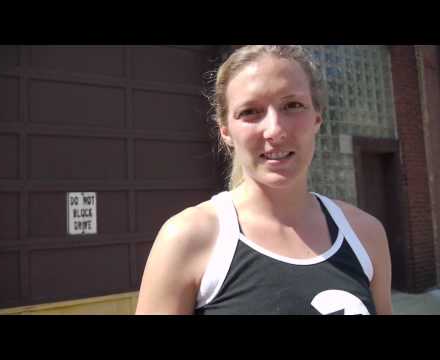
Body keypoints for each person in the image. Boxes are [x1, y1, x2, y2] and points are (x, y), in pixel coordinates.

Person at [135, 45, 392, 315]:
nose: (275, 130)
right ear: (226, 131)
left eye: (292, 105)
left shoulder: (365, 234)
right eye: (250, 112)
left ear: (317, 118)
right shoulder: (187, 238)